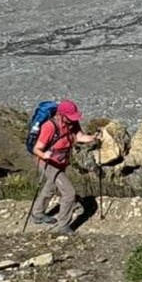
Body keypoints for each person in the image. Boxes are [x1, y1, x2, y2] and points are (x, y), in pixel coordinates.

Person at [29, 100, 97, 234]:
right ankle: (63, 225)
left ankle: (37, 213)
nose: (73, 120)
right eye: (71, 117)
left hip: (61, 161)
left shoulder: (71, 123)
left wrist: (94, 138)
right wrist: (46, 155)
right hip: (48, 164)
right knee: (69, 193)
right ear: (61, 115)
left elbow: (80, 137)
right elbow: (37, 149)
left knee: (51, 186)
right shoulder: (49, 127)